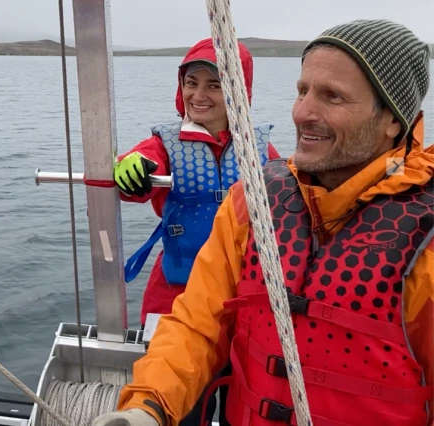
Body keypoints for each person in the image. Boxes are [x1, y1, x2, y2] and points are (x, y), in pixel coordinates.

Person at [94, 19, 434, 426]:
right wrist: (148, 406)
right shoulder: (252, 202)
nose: (302, 112)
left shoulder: (425, 241)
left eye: (333, 97)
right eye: (302, 90)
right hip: (174, 288)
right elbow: (196, 324)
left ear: (392, 120)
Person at [114, 38, 280, 330]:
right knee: (167, 365)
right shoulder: (165, 144)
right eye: (191, 83)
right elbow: (142, 166)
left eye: (214, 85)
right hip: (175, 290)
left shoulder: (260, 149)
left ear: (238, 91)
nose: (199, 95)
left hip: (242, 289)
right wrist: (130, 167)